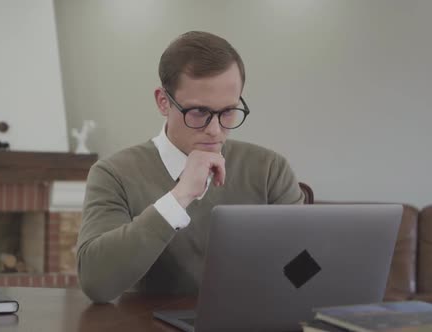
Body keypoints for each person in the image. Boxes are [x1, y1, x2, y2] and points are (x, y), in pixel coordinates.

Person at [76, 31, 305, 303]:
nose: (215, 130)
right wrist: (180, 196)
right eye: (198, 112)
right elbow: (96, 283)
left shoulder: (269, 169)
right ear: (163, 101)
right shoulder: (113, 174)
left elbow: (306, 266)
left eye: (228, 111)